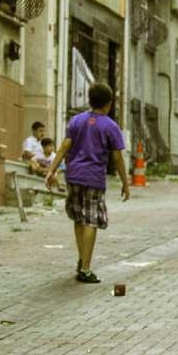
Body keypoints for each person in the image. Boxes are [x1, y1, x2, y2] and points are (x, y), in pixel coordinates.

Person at [45, 82, 130, 284]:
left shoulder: (76, 121)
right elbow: (117, 158)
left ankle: (82, 259)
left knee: (78, 217)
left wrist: (52, 170)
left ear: (90, 101)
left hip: (74, 176)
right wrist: (126, 184)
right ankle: (85, 268)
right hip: (93, 178)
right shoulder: (110, 126)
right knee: (91, 220)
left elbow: (65, 146)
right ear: (109, 104)